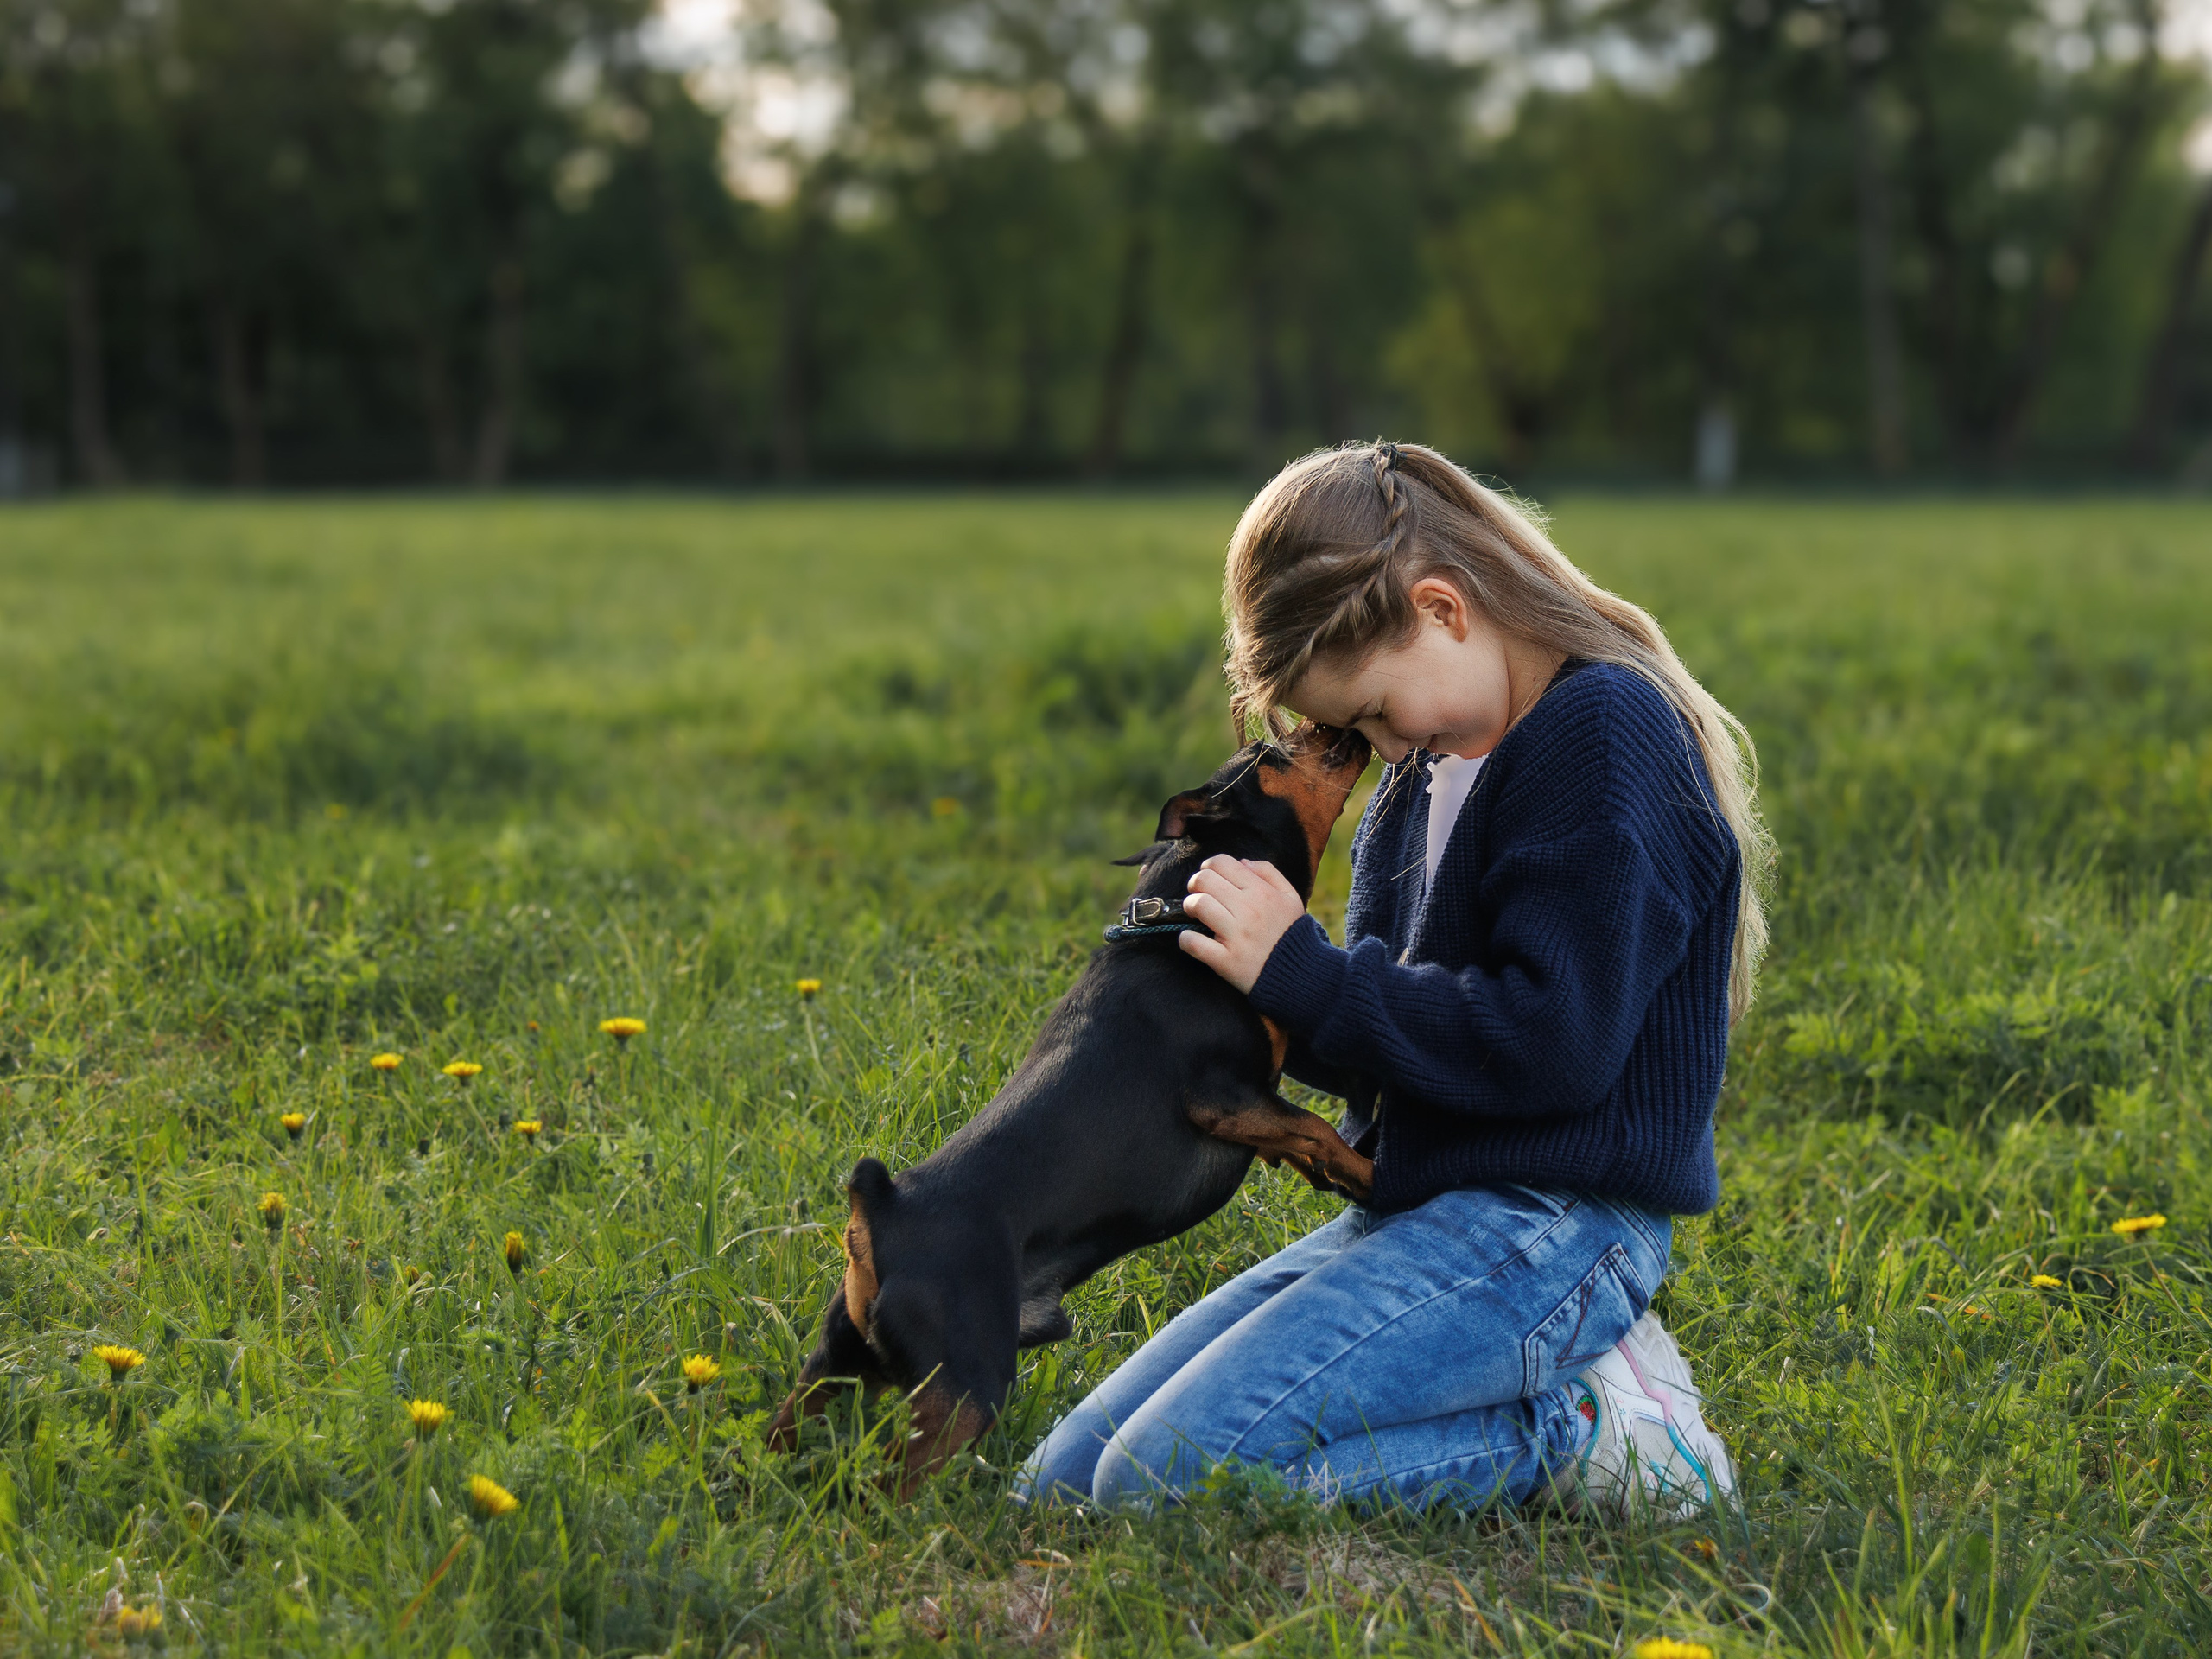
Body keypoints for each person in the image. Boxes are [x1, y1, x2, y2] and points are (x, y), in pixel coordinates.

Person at [1014, 441, 1770, 1517]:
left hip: (1557, 1221)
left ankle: (1591, 1432)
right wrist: (1242, 981)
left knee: (1154, 1491)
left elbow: (1552, 1045)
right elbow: (1388, 1046)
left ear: (1442, 608)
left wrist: (1305, 973)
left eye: (1371, 709)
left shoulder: (1604, 736)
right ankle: (1538, 1408)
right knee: (1060, 1487)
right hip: (1421, 1206)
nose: (1377, 746)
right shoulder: (1427, 772)